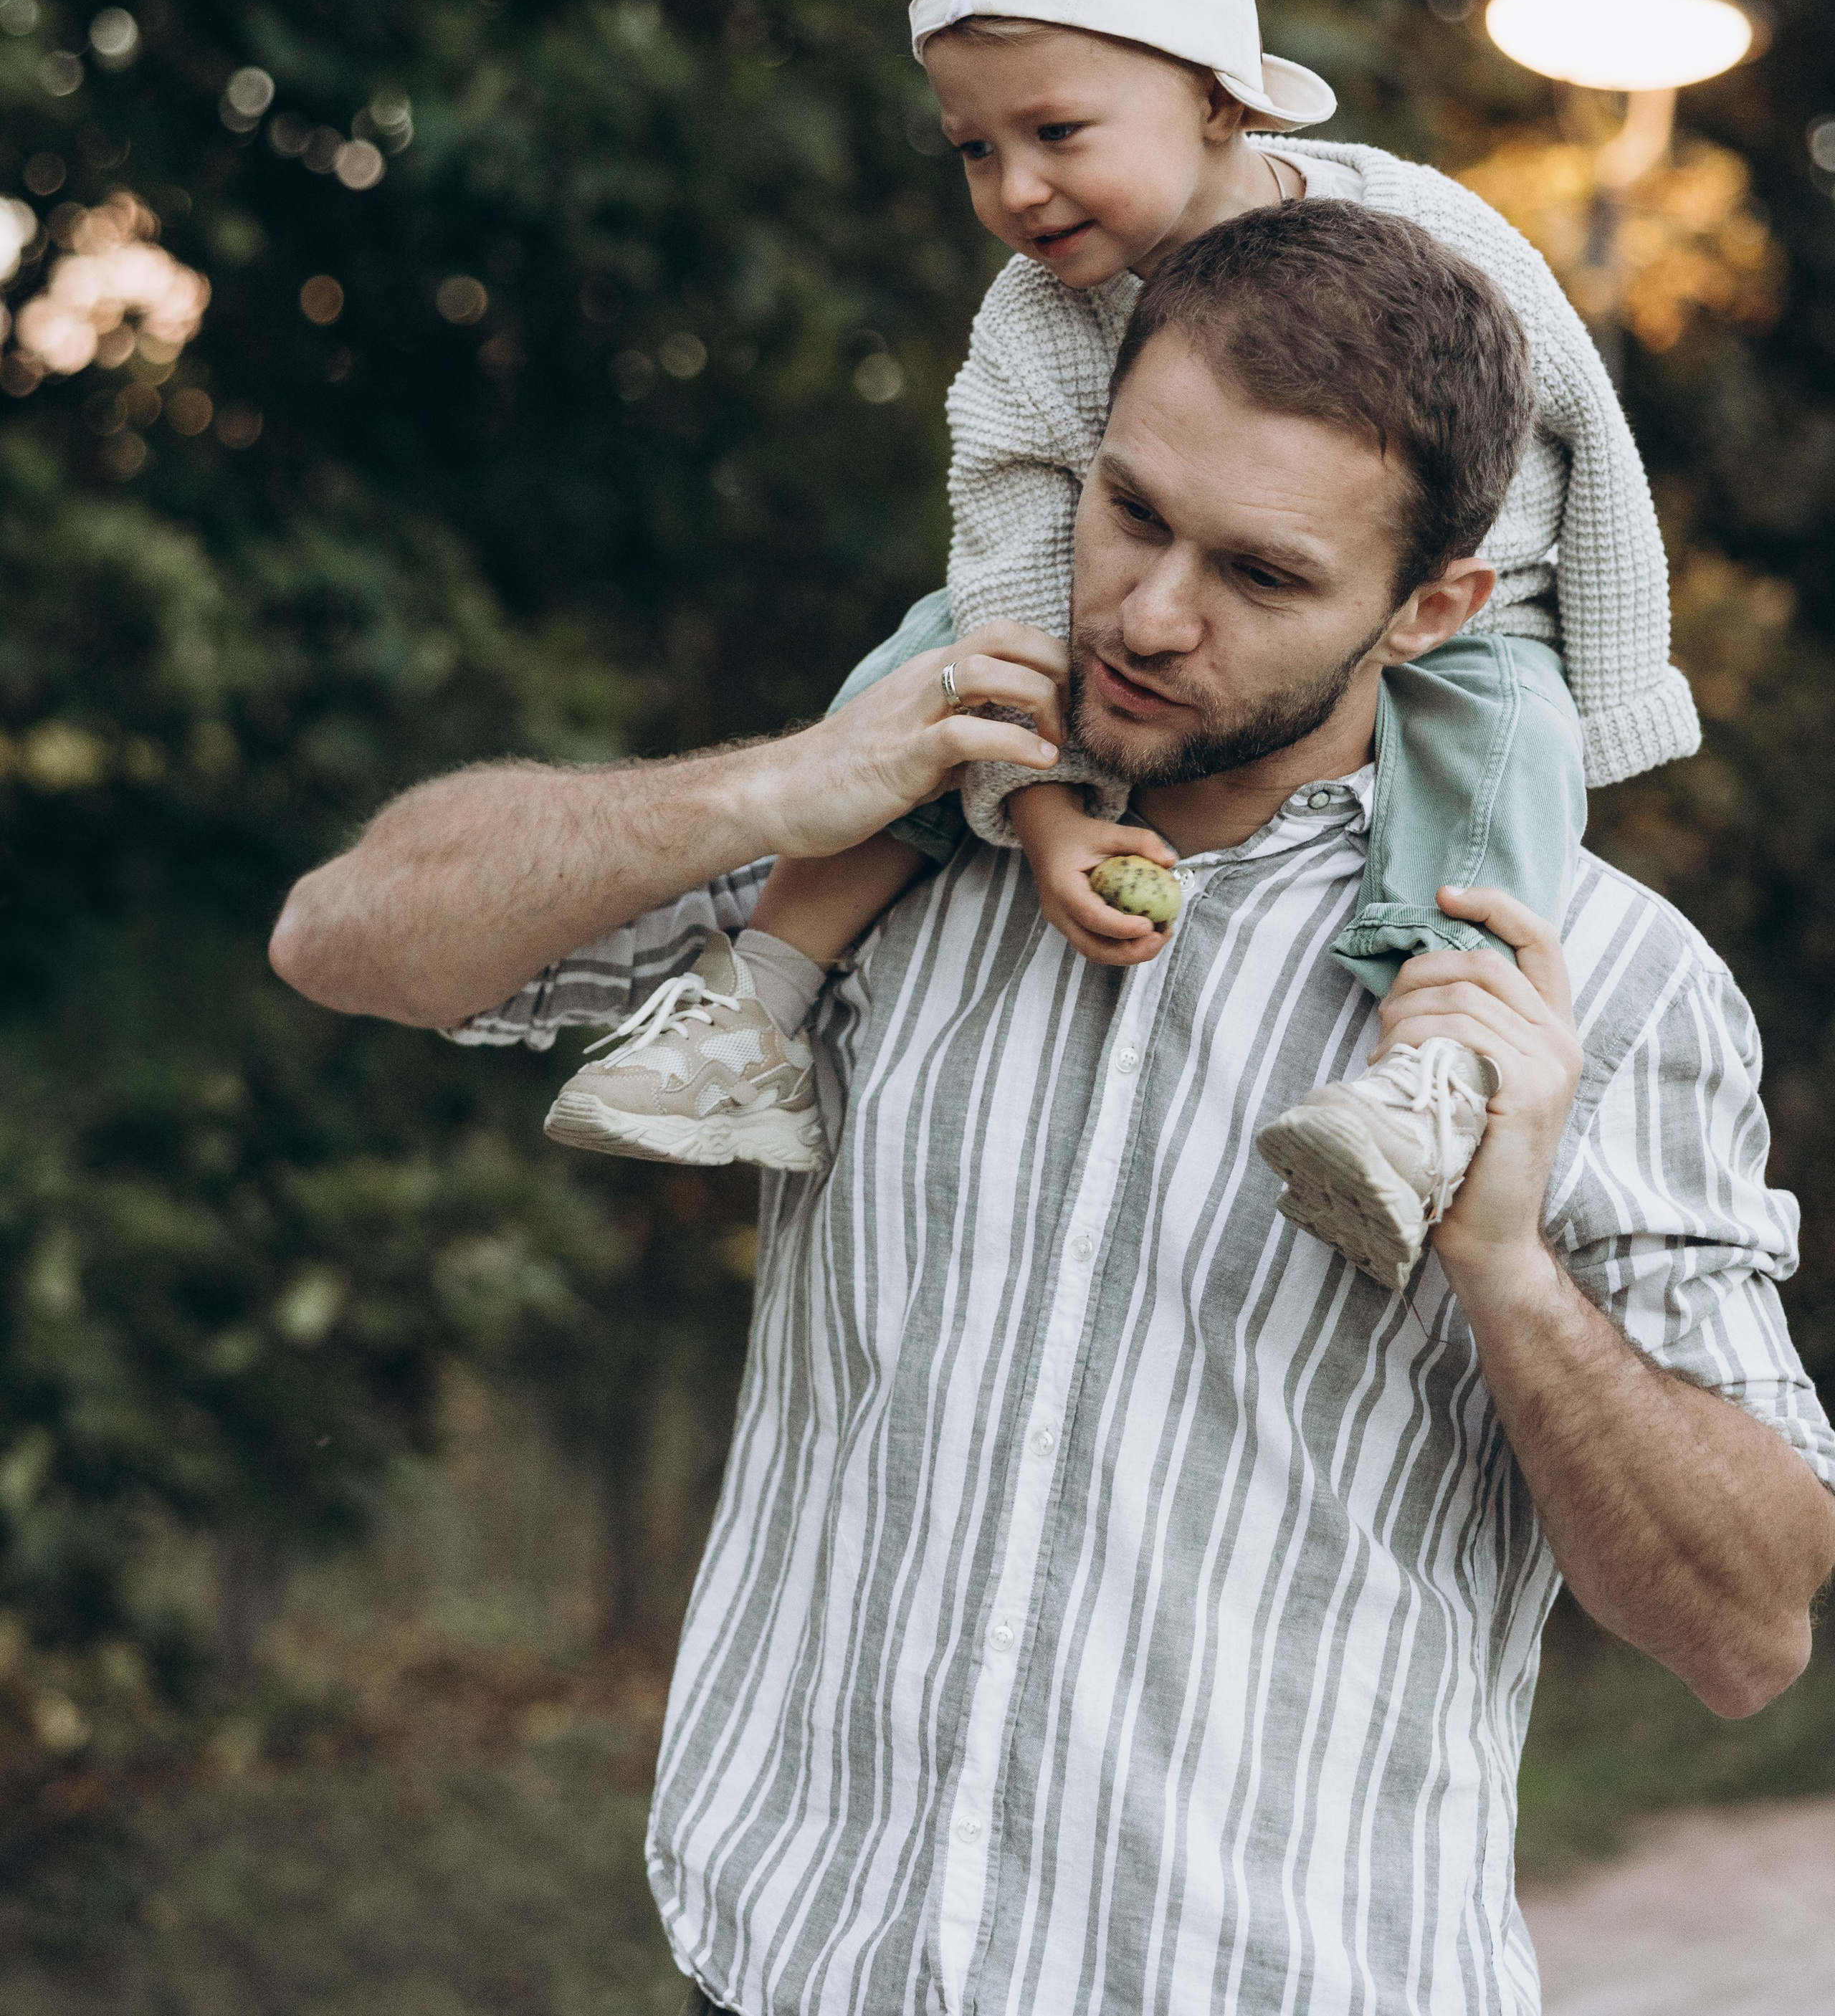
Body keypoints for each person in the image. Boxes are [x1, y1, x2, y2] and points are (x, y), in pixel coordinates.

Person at [270, 203, 1835, 2016]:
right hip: (783, 1970)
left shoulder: (1596, 987)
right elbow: (347, 938)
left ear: (1429, 610)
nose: (1148, 616)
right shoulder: (881, 838)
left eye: (1259, 577)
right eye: (1129, 510)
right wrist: (775, 784)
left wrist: (1505, 1264)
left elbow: (1743, 1629)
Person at [540, 0, 1698, 1296]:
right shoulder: (1036, 320)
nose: (1015, 187)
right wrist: (1045, 812)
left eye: (1056, 132)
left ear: (1217, 97)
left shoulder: (1420, 233)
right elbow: (1007, 542)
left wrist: (1606, 670)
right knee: (932, 662)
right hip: (1104, 585)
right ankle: (754, 1003)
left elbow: (1584, 424)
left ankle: (1434, 1077)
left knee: (1501, 746)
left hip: (1457, 597)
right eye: (972, 149)